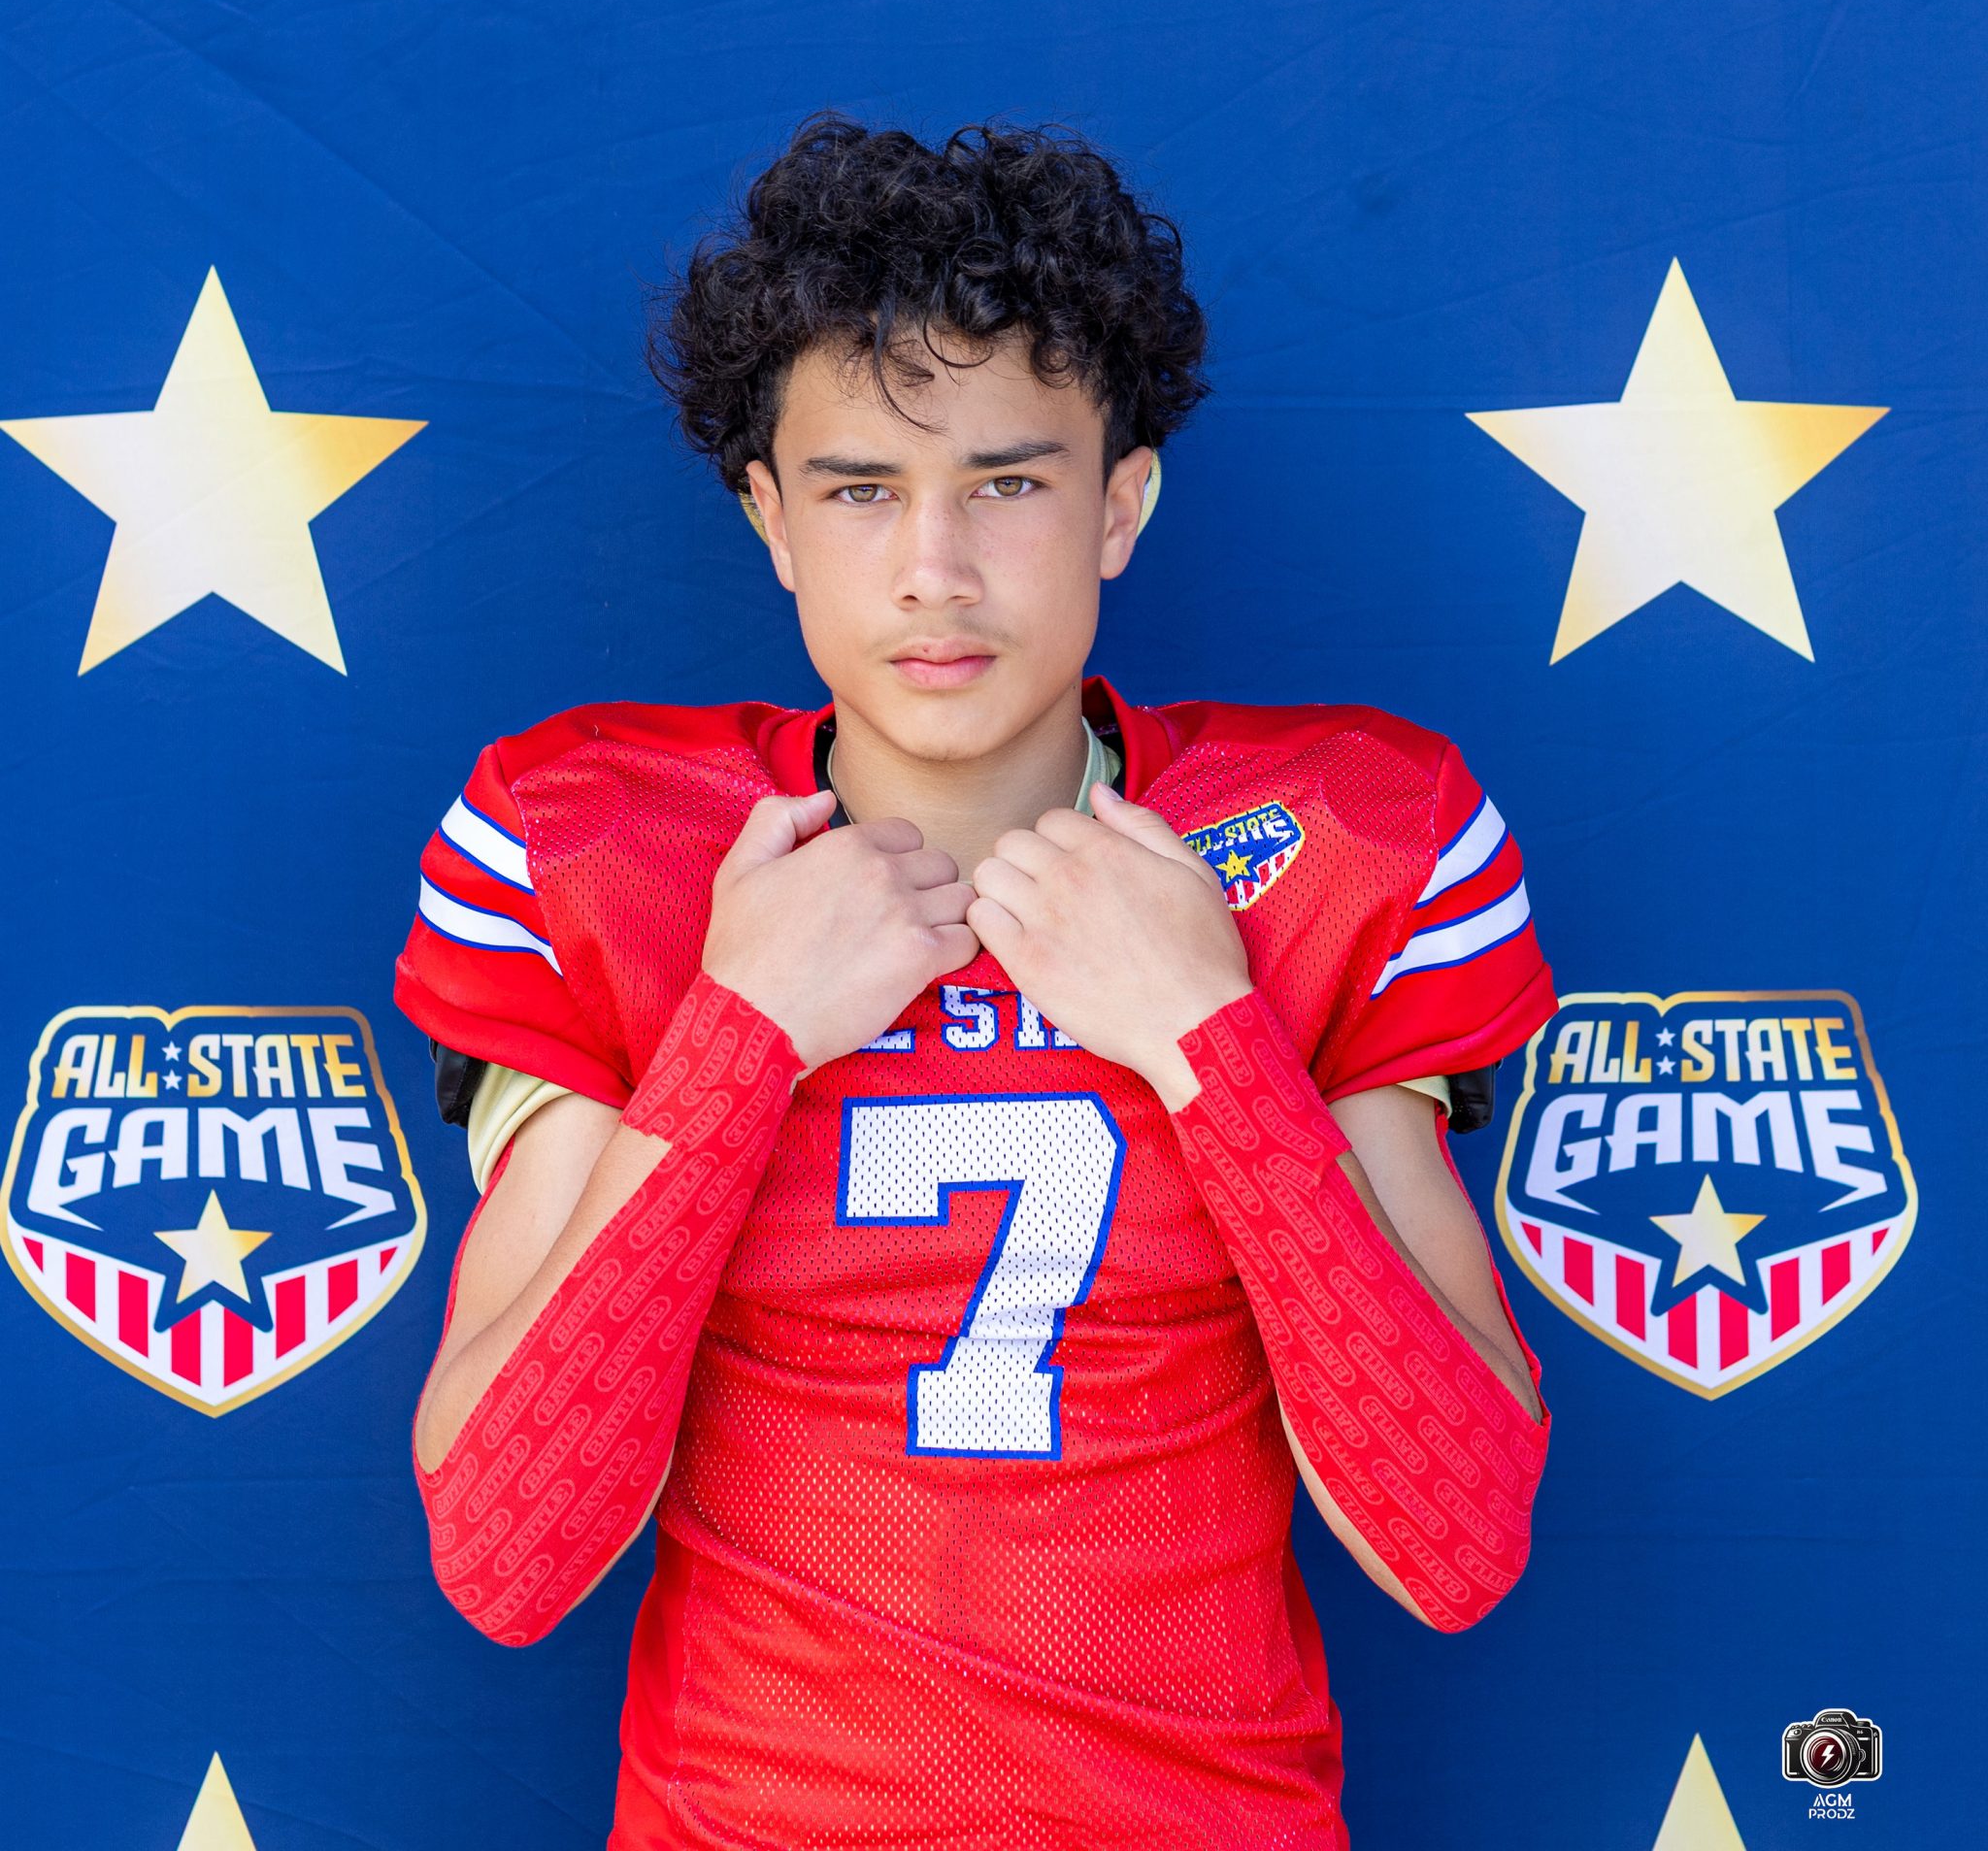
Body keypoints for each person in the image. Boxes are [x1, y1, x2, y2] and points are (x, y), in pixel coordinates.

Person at [396, 117, 1554, 1851]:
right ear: (772, 520)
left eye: (1008, 484)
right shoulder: (601, 852)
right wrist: (737, 1041)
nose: (934, 570)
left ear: (1121, 505)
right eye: (861, 490)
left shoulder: (1333, 843)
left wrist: (1211, 1044)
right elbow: (506, 1555)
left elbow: (1454, 1548)